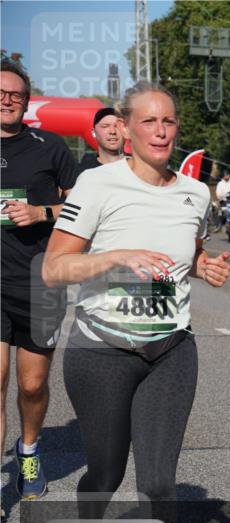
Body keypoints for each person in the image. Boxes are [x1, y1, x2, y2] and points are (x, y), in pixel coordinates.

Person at [42, 81, 230, 523]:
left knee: (157, 483)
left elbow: (185, 253)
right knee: (104, 472)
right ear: (125, 129)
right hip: (101, 350)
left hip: (170, 350)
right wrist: (117, 256)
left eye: (168, 121)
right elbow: (54, 268)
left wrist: (203, 266)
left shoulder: (195, 193)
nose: (160, 131)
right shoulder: (98, 185)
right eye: (148, 121)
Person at [1, 58, 79, 500]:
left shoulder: (49, 147)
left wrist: (40, 212)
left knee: (31, 385)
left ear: (26, 102)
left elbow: (80, 208)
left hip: (40, 283)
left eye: (15, 95)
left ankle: (28, 450)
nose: (7, 100)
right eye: (0, 94)